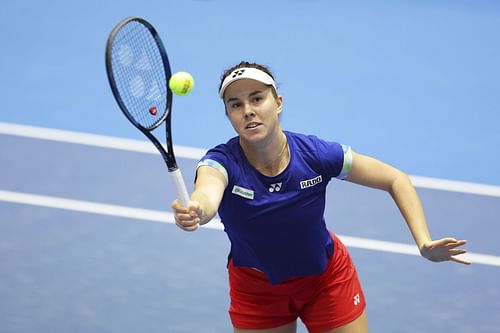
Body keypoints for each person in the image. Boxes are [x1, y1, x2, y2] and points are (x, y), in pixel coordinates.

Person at [171, 61, 471, 333]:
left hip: (326, 281)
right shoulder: (222, 162)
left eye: (257, 98)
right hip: (257, 290)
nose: (247, 110)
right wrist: (197, 209)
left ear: (278, 103)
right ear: (229, 115)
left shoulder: (316, 155)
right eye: (235, 104)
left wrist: (423, 242)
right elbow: (208, 193)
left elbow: (395, 178)